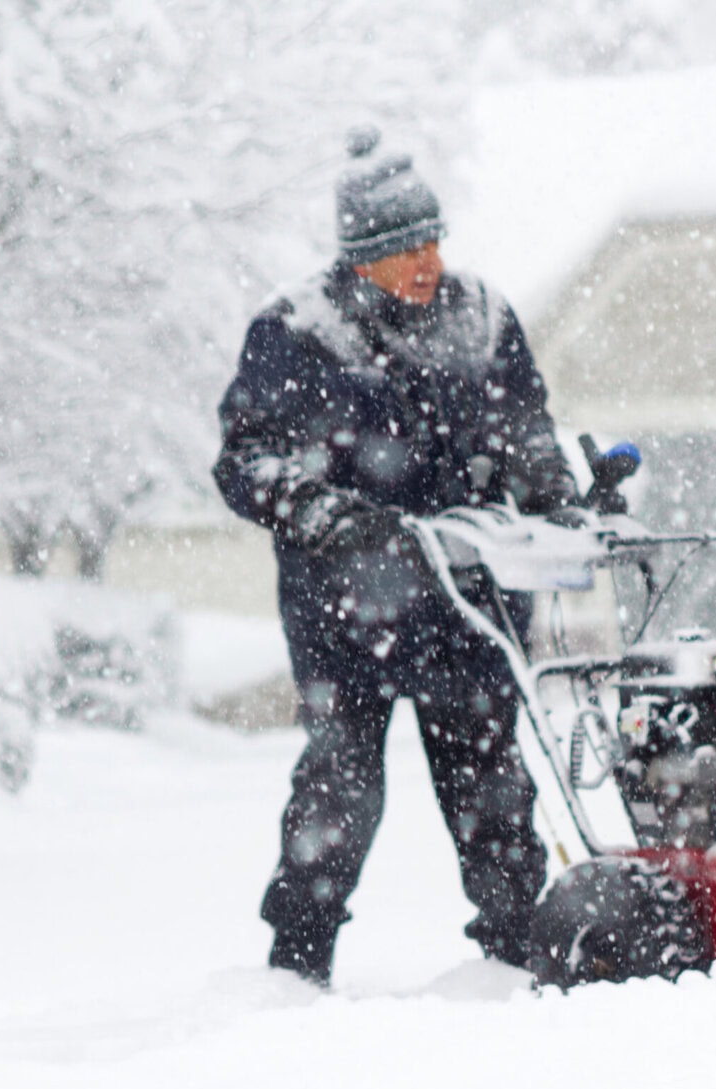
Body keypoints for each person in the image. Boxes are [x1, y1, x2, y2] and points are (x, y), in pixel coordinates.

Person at [213, 129, 580, 986]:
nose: (425, 261)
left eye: (431, 241)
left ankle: (515, 957)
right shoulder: (298, 332)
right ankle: (295, 966)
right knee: (339, 788)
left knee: (491, 784)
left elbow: (524, 425)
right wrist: (327, 511)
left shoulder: (482, 315)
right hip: (346, 610)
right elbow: (245, 462)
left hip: (469, 602)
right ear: (358, 257)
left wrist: (551, 491)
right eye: (401, 248)